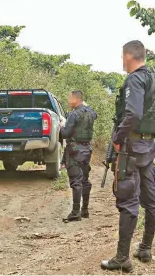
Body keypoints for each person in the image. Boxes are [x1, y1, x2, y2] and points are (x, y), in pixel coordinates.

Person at [101, 40, 155, 272]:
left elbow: (132, 113)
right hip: (147, 148)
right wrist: (149, 134)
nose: (122, 61)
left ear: (129, 56)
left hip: (130, 148)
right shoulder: (154, 78)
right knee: (152, 201)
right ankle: (145, 248)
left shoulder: (135, 78)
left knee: (128, 203)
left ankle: (123, 257)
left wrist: (118, 137)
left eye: (123, 57)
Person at [60, 90, 97, 222]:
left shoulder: (74, 114)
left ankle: (76, 212)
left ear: (75, 99)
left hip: (75, 150)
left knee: (76, 181)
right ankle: (85, 210)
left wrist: (61, 127)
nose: (68, 101)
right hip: (87, 149)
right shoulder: (91, 113)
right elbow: (94, 113)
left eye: (70, 98)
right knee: (85, 180)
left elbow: (66, 133)